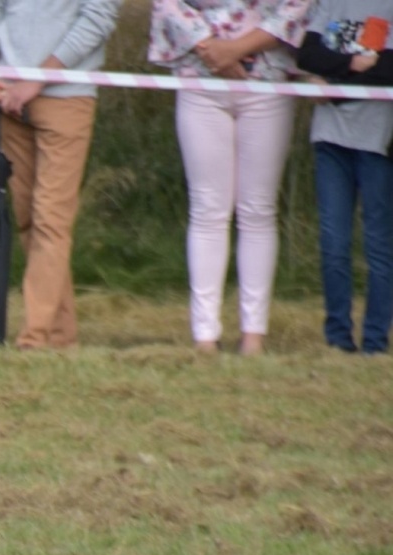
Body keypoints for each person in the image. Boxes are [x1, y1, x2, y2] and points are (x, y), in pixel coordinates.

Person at [149, 0, 310, 356]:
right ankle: (204, 333)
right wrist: (212, 50)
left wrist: (237, 49)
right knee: (207, 210)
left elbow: (297, 6)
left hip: (267, 80)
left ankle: (254, 334)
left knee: (258, 211)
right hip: (200, 77)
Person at [0, 0, 120, 349]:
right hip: (10, 100)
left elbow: (99, 17)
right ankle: (60, 335)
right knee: (26, 218)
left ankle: (34, 338)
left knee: (50, 218)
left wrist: (39, 78)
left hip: (67, 98)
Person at [297, 2, 393, 355]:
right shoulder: (329, 4)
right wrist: (352, 65)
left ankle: (375, 341)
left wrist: (333, 79)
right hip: (330, 138)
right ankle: (338, 338)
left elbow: (387, 68)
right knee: (333, 244)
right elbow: (307, 55)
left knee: (378, 245)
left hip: (377, 140)